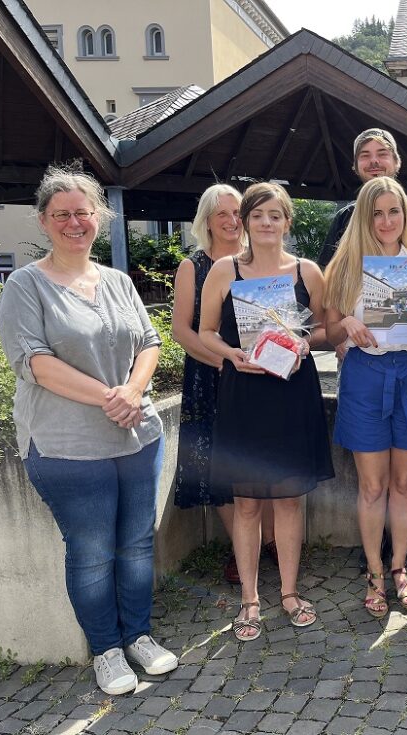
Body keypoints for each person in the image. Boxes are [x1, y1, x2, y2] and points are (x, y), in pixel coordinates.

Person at [0, 165, 177, 695]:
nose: (74, 222)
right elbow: (34, 363)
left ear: (99, 216)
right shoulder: (25, 285)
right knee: (93, 550)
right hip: (66, 446)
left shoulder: (118, 280)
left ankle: (139, 636)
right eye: (62, 215)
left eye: (83, 212)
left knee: (138, 544)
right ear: (44, 221)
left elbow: (149, 342)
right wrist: (110, 396)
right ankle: (106, 650)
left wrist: (133, 392)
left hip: (136, 436)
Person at [199, 182, 334, 641]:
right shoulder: (224, 270)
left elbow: (326, 329)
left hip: (291, 392)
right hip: (244, 392)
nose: (266, 223)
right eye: (257, 215)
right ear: (245, 222)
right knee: (246, 502)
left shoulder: (307, 271)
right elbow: (205, 331)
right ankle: (250, 600)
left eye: (275, 215)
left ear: (287, 222)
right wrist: (231, 355)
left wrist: (303, 341)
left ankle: (291, 593)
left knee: (290, 497)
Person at [324, 177, 407, 618]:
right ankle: (374, 572)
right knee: (372, 485)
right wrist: (347, 329)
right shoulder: (345, 266)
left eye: (394, 211)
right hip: (365, 375)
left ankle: (399, 568)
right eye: (377, 212)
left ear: (405, 215)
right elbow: (327, 330)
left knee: (404, 483)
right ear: (364, 216)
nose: (387, 220)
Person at [171, 184, 245, 584]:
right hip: (212, 375)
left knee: (256, 458)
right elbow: (181, 331)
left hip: (255, 375)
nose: (232, 221)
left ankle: (265, 541)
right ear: (207, 221)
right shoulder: (193, 267)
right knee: (219, 466)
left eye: (237, 212)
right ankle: (240, 545)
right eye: (223, 214)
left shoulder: (256, 262)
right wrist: (224, 362)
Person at [316, 128, 407, 268]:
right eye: (365, 155)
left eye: (382, 154)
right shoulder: (344, 217)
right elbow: (326, 272)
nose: (374, 161)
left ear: (397, 162)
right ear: (355, 166)